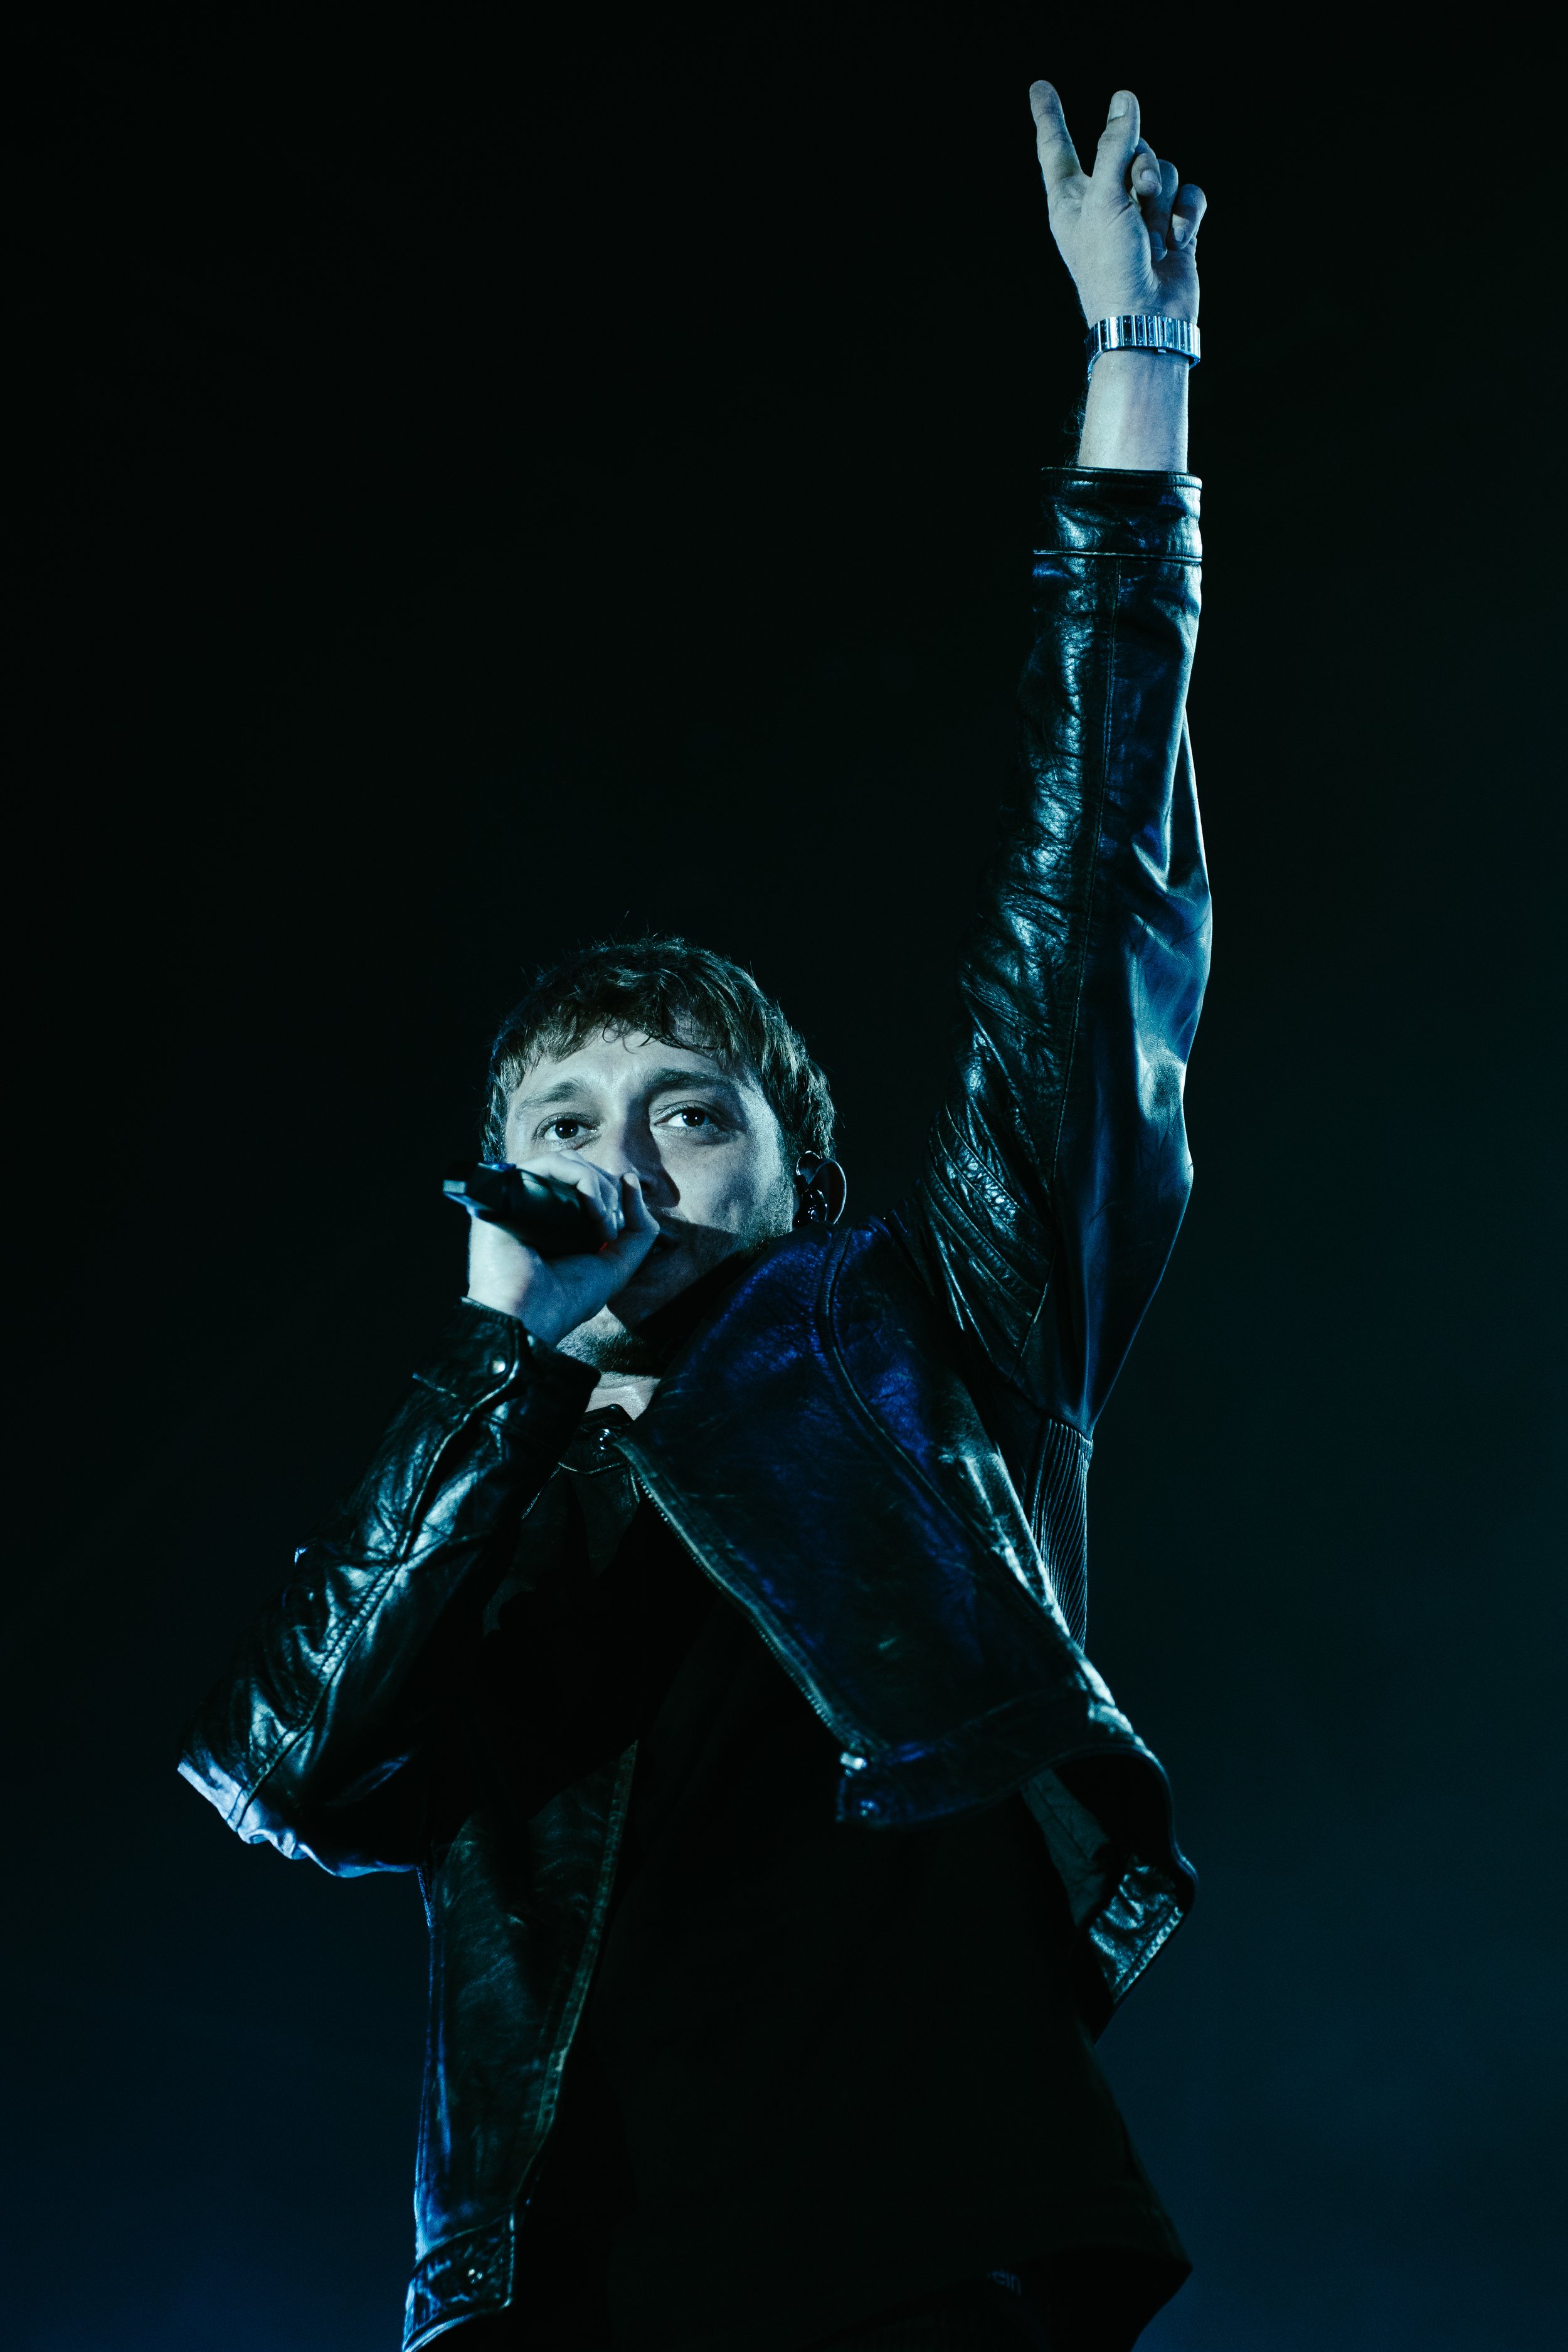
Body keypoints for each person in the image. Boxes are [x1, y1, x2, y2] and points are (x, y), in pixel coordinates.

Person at [181, 78, 1212, 2352]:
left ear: (800, 1181)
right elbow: (294, 1774)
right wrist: (500, 1370)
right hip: (566, 2306)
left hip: (931, 2260)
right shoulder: (492, 1491)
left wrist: (1133, 383)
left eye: (689, 1118)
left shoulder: (920, 1342)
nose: (624, 1162)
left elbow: (1087, 910)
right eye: (570, 1116)